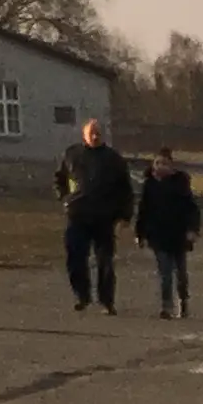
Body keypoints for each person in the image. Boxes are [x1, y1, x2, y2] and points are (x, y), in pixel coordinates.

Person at [54, 115, 134, 312]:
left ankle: (107, 301)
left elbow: (125, 190)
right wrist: (64, 198)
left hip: (104, 218)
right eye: (92, 133)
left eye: (98, 133)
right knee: (75, 258)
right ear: (84, 135)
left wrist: (125, 216)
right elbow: (59, 179)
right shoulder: (72, 155)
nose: (95, 136)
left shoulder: (114, 159)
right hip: (78, 214)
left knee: (104, 261)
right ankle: (82, 296)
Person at [138, 145, 202, 319]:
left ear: (171, 166)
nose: (160, 167)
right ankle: (166, 306)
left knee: (181, 274)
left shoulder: (180, 184)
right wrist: (140, 234)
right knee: (165, 273)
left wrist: (192, 230)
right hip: (158, 236)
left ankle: (183, 300)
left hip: (178, 236)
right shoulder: (149, 186)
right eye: (157, 163)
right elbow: (143, 211)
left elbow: (192, 209)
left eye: (164, 163)